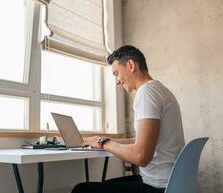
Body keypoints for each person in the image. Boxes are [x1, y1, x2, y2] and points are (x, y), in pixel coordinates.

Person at [72, 45, 185, 193]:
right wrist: (101, 140)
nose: (117, 81)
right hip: (171, 183)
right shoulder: (159, 90)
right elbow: (138, 142)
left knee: (81, 190)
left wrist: (103, 143)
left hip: (157, 187)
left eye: (116, 73)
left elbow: (141, 156)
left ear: (131, 65)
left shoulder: (146, 93)